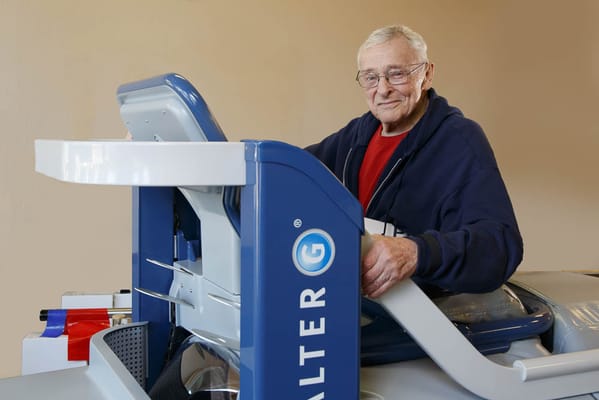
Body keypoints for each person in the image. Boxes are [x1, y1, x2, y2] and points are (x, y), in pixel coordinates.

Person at [306, 24, 523, 298]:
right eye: (371, 77)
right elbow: (294, 170)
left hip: (422, 318)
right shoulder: (357, 135)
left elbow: (499, 246)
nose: (382, 89)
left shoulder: (459, 140)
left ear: (427, 75)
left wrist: (416, 252)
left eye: (396, 74)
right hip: (356, 304)